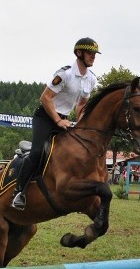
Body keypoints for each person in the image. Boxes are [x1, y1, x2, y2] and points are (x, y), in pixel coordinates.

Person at [11, 37, 100, 210]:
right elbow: (45, 98)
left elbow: (81, 105)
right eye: (90, 53)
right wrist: (57, 120)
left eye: (95, 54)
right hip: (45, 117)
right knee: (36, 153)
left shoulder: (91, 79)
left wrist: (80, 123)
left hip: (65, 120)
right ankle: (18, 192)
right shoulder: (64, 74)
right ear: (79, 53)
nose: (93, 57)